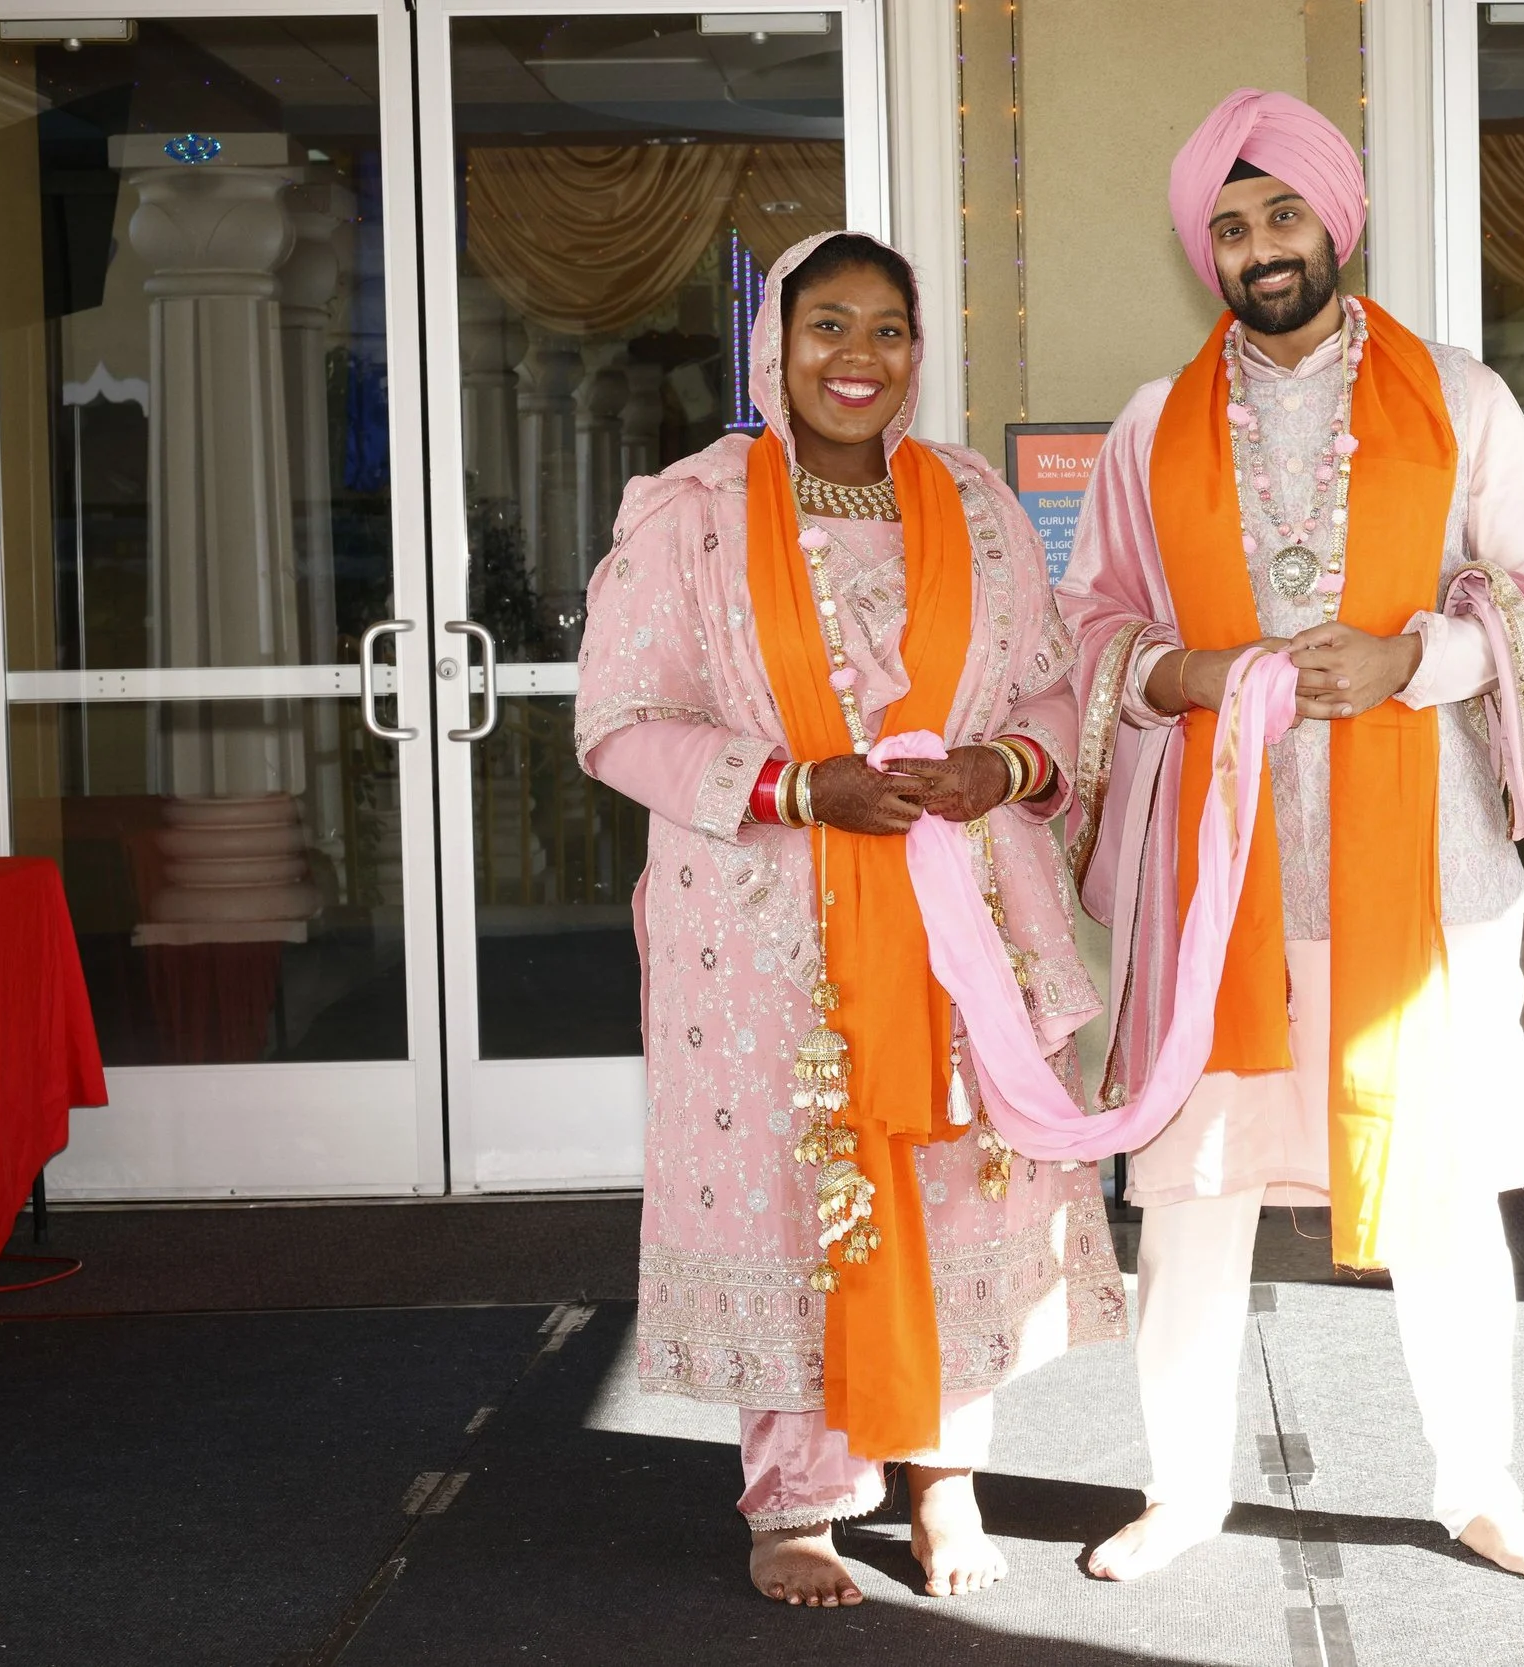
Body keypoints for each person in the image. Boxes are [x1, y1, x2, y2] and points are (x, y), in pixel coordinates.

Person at [1058, 90, 1524, 1584]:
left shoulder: (1464, 399)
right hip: (1218, 875)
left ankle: (1478, 1482)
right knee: (1193, 1198)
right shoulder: (1149, 427)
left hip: (1424, 877)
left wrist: (1409, 660)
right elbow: (1093, 624)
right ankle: (1184, 1488)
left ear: (1333, 222)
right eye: (1229, 227)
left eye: (1280, 215)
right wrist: (1189, 676)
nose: (1258, 249)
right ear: (1206, 251)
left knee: (1439, 1192)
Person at [576, 230, 1126, 1609]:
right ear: (774, 346)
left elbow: (1054, 694)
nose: (859, 358)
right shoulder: (692, 512)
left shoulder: (977, 502)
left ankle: (945, 1471)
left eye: (889, 330)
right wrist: (792, 782)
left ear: (918, 351)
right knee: (803, 1190)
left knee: (951, 1182)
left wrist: (993, 768)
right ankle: (799, 1500)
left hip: (956, 925)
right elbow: (616, 722)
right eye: (828, 326)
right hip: (769, 928)